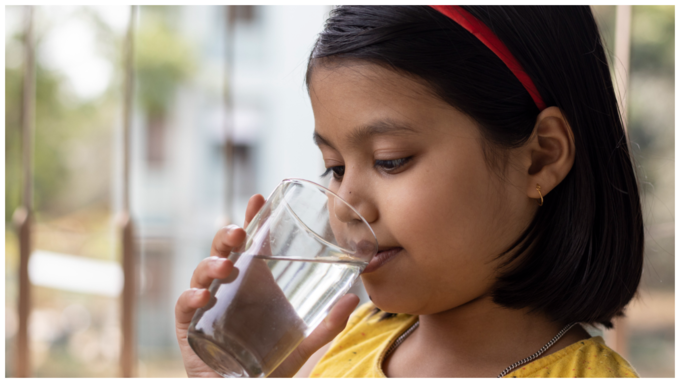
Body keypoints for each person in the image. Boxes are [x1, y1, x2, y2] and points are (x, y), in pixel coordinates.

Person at [175, 5, 643, 378]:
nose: (348, 207)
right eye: (334, 168)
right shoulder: (335, 352)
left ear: (540, 156)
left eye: (389, 160)